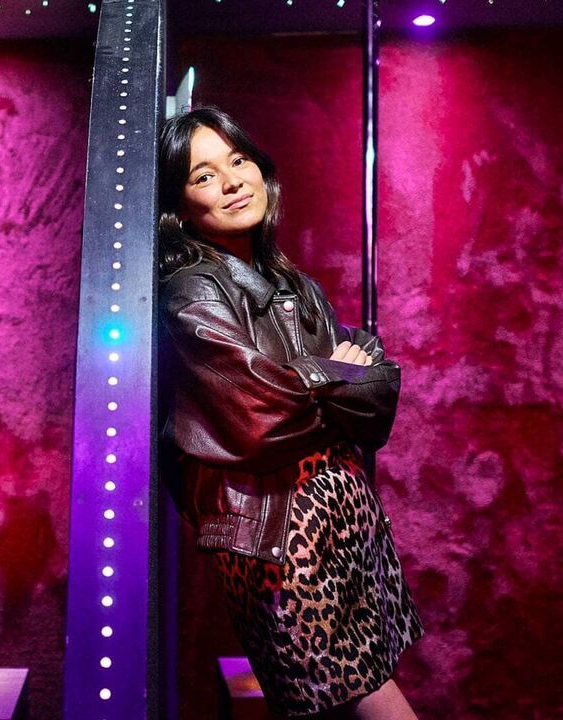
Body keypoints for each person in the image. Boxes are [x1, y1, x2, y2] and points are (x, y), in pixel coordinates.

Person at [155, 106, 424, 719]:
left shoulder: (295, 285)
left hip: (348, 526)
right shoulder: (193, 290)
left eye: (239, 160)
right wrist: (333, 374)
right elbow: (259, 417)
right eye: (203, 175)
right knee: (357, 702)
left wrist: (318, 382)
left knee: (351, 700)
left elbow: (377, 392)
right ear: (181, 208)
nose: (232, 181)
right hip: (281, 540)